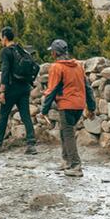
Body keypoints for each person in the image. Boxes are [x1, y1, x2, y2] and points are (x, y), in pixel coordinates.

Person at [40, 38, 95, 177]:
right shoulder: (78, 66)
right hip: (79, 105)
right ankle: (67, 161)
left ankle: (76, 165)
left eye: (52, 51)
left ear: (55, 53)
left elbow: (52, 90)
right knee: (65, 132)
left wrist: (44, 110)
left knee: (68, 134)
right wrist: (92, 106)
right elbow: (87, 88)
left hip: (66, 104)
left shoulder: (57, 68)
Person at [0, 26, 38, 154]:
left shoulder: (6, 51)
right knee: (26, 115)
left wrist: (2, 91)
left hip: (11, 89)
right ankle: (31, 144)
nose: (0, 40)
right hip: (25, 88)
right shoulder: (21, 50)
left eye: (0, 38)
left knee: (4, 116)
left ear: (4, 37)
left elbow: (5, 72)